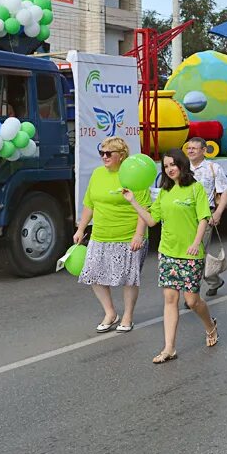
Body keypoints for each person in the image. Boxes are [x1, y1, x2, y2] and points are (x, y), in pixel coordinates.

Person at [123, 148, 219, 364]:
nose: (170, 169)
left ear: (182, 165)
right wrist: (132, 201)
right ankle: (169, 348)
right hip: (168, 252)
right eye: (166, 167)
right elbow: (151, 221)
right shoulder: (164, 192)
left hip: (190, 253)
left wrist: (196, 243)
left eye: (173, 165)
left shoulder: (195, 189)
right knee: (170, 299)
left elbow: (204, 218)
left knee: (192, 301)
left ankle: (210, 326)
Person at [73, 136, 149, 333]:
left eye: (108, 153)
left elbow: (143, 208)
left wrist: (138, 235)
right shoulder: (98, 174)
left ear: (122, 156)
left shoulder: (133, 175)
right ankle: (110, 312)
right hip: (100, 234)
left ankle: (128, 316)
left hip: (128, 234)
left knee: (129, 278)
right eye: (101, 153)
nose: (104, 157)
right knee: (92, 273)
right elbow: (89, 204)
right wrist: (81, 229)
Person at [185, 137, 227, 296]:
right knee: (186, 253)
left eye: (194, 148)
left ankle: (192, 293)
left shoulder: (213, 168)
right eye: (188, 148)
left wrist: (217, 213)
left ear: (204, 150)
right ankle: (214, 280)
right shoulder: (183, 168)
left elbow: (224, 191)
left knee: (196, 252)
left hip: (205, 216)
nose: (190, 151)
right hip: (184, 216)